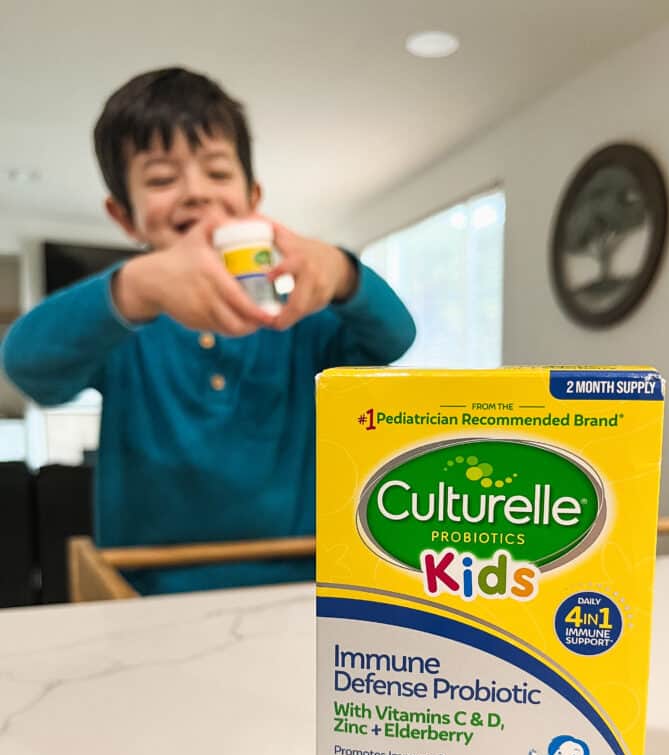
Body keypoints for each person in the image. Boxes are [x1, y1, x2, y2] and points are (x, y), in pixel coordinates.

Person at [1, 68, 415, 595]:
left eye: (217, 173)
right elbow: (29, 369)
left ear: (253, 196)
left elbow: (394, 338)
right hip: (144, 596)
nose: (196, 193)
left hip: (294, 586)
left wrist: (342, 272)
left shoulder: (301, 317)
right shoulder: (124, 321)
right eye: (160, 179)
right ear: (124, 217)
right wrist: (132, 289)